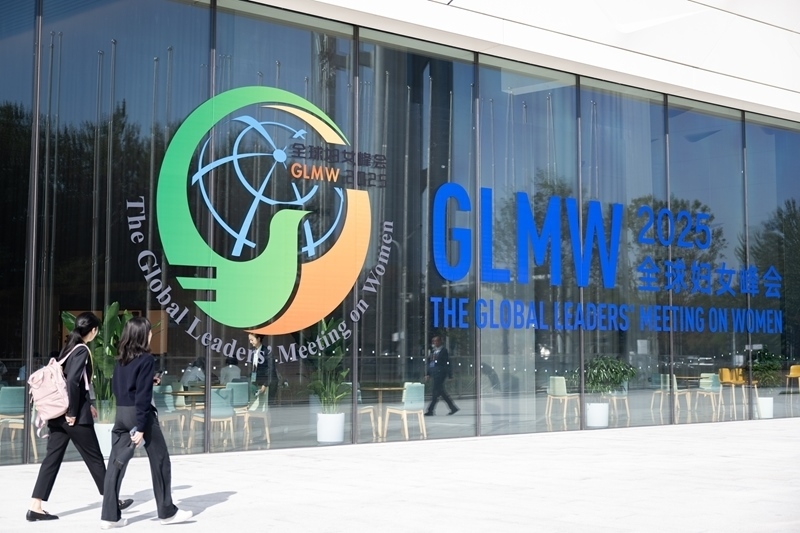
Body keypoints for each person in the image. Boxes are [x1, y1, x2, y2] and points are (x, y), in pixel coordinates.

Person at [27, 312, 133, 522]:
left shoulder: (68, 349)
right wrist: (73, 413)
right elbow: (73, 382)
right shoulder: (82, 350)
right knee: (95, 459)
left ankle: (35, 506)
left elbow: (75, 381)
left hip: (57, 415)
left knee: (51, 459)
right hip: (73, 417)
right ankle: (112, 500)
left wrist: (88, 404)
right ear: (93, 330)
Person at [100, 316, 192, 529]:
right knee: (160, 460)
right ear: (142, 335)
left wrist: (149, 380)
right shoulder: (146, 359)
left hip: (121, 413)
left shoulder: (121, 359)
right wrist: (141, 427)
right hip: (140, 415)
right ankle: (167, 512)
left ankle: (109, 516)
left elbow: (121, 387)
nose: (151, 334)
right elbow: (142, 395)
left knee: (116, 464)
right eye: (149, 331)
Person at [424, 335, 459, 416]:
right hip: (434, 373)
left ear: (440, 342)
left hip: (441, 373)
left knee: (435, 391)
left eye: (436, 341)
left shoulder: (444, 351)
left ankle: (430, 410)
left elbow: (447, 363)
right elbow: (430, 363)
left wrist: (450, 375)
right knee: (440, 391)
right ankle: (452, 407)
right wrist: (428, 374)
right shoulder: (433, 351)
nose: (435, 343)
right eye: (434, 341)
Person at [248, 333, 278, 404]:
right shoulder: (252, 352)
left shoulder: (267, 352)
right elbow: (254, 369)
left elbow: (271, 369)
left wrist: (265, 384)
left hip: (269, 382)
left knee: (268, 405)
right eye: (249, 340)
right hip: (258, 382)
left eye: (252, 340)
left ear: (258, 339)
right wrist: (253, 381)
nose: (250, 342)